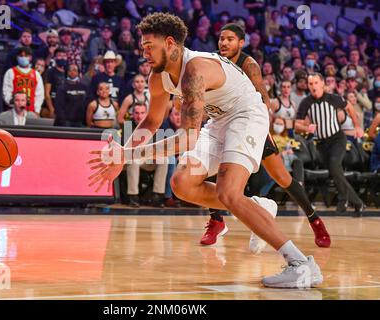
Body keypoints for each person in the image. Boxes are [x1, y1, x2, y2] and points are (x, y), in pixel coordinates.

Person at [88, 13, 323, 289]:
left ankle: (302, 265)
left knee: (228, 192)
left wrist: (125, 156)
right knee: (181, 183)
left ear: (171, 43)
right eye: (143, 46)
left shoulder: (195, 70)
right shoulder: (157, 77)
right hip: (220, 119)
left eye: (150, 46)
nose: (144, 52)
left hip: (247, 114)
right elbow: (152, 121)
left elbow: (186, 139)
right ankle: (258, 206)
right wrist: (124, 153)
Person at [214, 23, 330, 248]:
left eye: (229, 39)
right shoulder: (215, 62)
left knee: (282, 177)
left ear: (241, 42)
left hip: (250, 126)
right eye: (221, 38)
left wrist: (260, 124)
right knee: (210, 167)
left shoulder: (248, 64)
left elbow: (264, 98)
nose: (224, 43)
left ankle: (314, 219)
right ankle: (216, 220)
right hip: (225, 125)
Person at [295, 73, 365, 216]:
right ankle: (357, 203)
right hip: (321, 144)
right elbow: (297, 124)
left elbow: (350, 108)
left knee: (334, 166)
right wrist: (306, 128)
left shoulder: (332, 98)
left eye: (315, 83)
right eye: (310, 84)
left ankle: (342, 199)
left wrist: (357, 126)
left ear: (322, 83)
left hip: (337, 139)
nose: (313, 86)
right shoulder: (306, 102)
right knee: (336, 173)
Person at [124, 102, 168, 208]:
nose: (139, 116)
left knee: (164, 159)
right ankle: (133, 197)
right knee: (133, 160)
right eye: (137, 113)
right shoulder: (127, 126)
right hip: (130, 160)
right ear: (132, 114)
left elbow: (159, 147)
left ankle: (157, 195)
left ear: (146, 114)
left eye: (142, 113)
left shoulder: (153, 125)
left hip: (147, 159)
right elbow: (126, 151)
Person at [2, 47, 44, 114]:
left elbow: (39, 95)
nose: (23, 58)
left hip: (31, 111)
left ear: (30, 57)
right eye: (21, 56)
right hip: (14, 110)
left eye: (26, 56)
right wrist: (13, 104)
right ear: (17, 57)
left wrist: (37, 110)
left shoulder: (36, 74)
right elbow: (6, 92)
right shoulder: (10, 72)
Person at [54, 63, 88, 127]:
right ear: (67, 72)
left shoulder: (84, 87)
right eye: (70, 70)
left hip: (81, 122)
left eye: (75, 70)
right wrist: (63, 123)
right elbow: (59, 107)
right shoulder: (62, 88)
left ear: (78, 73)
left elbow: (87, 104)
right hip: (66, 122)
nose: (72, 72)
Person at [44, 48, 67, 118]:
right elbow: (47, 93)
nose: (62, 58)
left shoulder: (68, 71)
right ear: (55, 58)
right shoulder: (50, 72)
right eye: (59, 55)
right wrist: (51, 109)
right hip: (53, 103)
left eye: (64, 56)